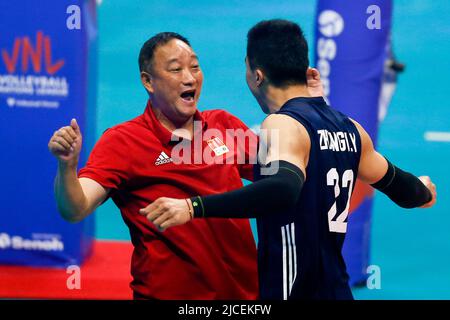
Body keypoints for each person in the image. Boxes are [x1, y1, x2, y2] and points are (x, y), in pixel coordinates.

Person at [143, 20, 437, 300]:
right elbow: (404, 189)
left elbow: (282, 189)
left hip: (292, 290)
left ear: (257, 75)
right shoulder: (351, 129)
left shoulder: (280, 124)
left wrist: (194, 206)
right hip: (336, 288)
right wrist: (424, 190)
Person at [48, 32, 263, 299]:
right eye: (175, 69)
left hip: (244, 297)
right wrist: (67, 167)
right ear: (148, 81)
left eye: (194, 66)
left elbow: (282, 179)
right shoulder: (123, 141)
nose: (189, 77)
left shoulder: (223, 125)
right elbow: (75, 208)